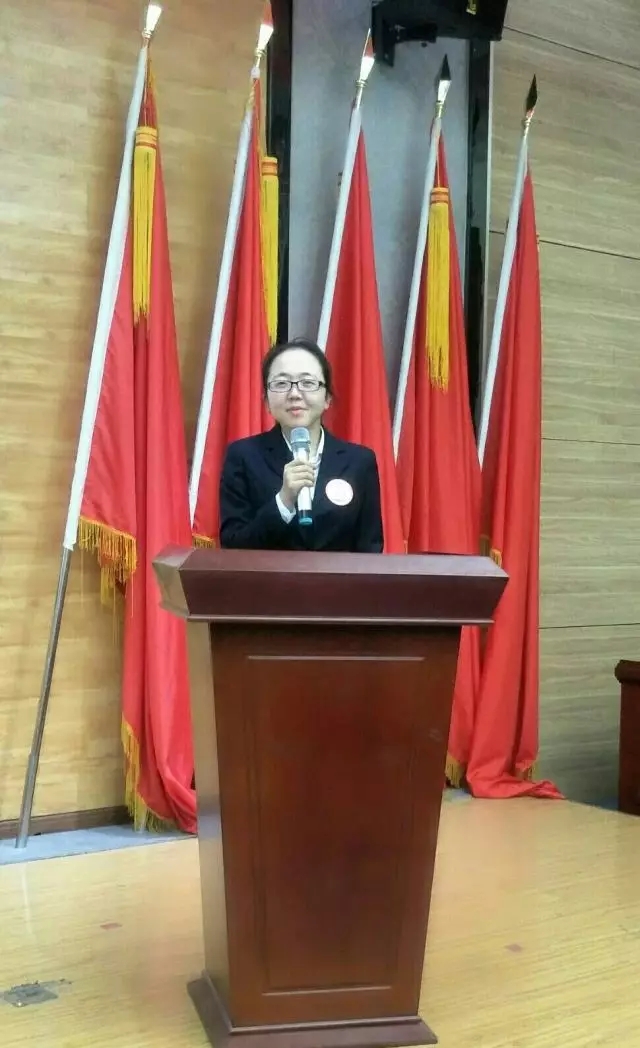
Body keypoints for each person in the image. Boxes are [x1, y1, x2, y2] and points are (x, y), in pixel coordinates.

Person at [219, 337, 384, 552]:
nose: (295, 394)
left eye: (307, 383)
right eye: (281, 384)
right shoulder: (243, 456)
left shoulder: (359, 462)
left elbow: (370, 548)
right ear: (266, 401)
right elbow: (233, 545)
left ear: (327, 398)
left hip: (339, 576)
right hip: (268, 575)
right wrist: (284, 500)